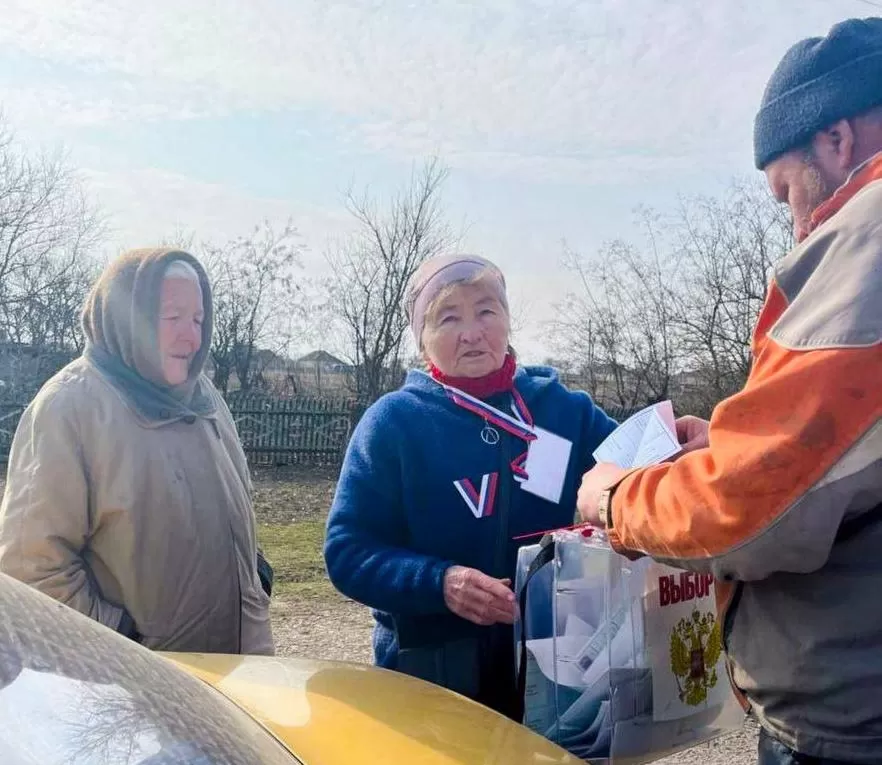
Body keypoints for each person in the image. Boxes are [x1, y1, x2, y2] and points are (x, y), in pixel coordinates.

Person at [576, 17, 882, 765]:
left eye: (787, 191)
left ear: (835, 141)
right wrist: (731, 440)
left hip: (849, 723)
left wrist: (618, 500)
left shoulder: (868, 235)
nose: (796, 220)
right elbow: (844, 449)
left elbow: (749, 510)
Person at [323, 253, 617, 719]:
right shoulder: (394, 424)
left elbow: (642, 464)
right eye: (448, 317)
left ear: (506, 319)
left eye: (486, 310)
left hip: (552, 669)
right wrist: (440, 582)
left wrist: (682, 437)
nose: (472, 331)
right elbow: (347, 551)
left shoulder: (564, 411)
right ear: (423, 341)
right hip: (434, 677)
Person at [0, 248, 273, 655]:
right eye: (173, 318)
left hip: (238, 671)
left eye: (198, 319)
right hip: (138, 690)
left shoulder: (206, 398)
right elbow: (31, 568)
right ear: (128, 318)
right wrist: (123, 644)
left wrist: (254, 573)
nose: (192, 336)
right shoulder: (70, 408)